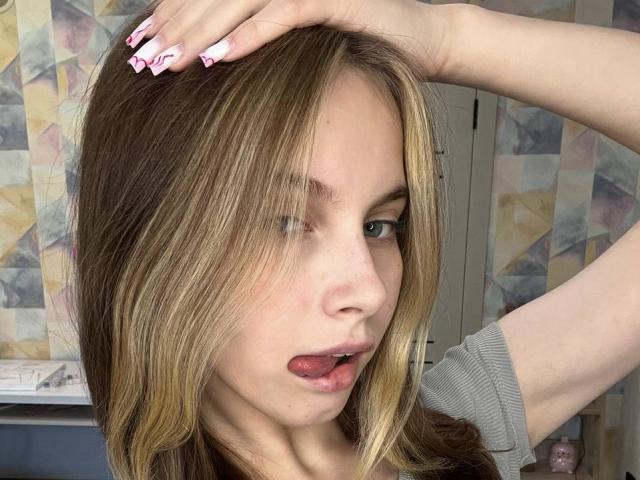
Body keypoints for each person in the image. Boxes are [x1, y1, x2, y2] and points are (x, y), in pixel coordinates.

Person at [70, 1, 640, 479]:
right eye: (286, 221)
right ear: (149, 243)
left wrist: (446, 36)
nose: (369, 291)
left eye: (379, 226)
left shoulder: (459, 428)